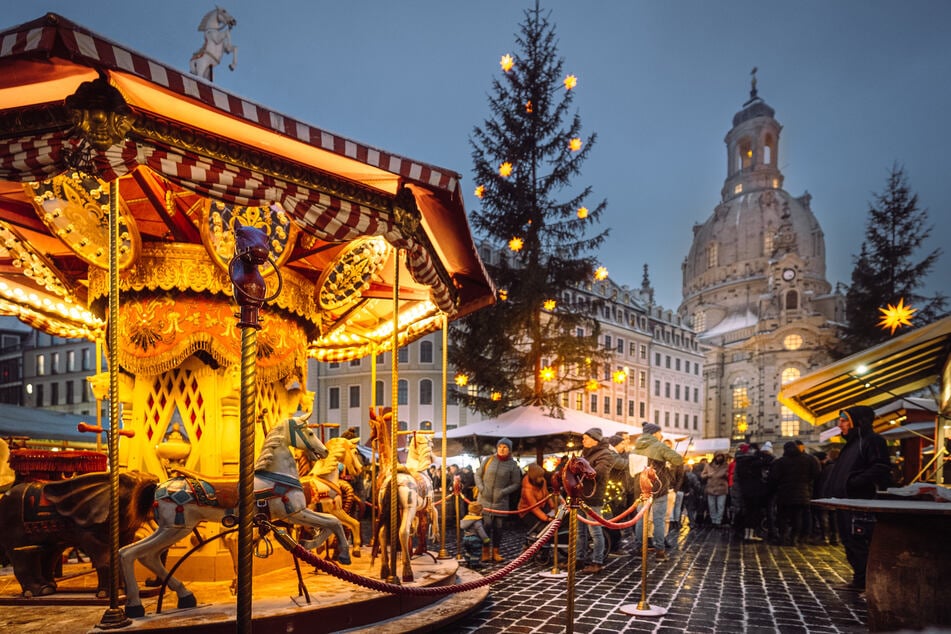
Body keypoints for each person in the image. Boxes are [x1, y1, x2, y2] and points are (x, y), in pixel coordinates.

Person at [821, 406, 892, 592]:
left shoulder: (872, 441)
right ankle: (860, 579)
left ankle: (865, 580)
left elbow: (880, 466)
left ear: (857, 423)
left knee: (858, 541)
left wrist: (854, 482)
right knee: (849, 541)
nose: (840, 425)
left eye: (844, 421)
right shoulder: (852, 443)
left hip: (859, 501)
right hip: (845, 501)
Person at [633, 422, 684, 561]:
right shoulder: (659, 445)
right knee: (659, 520)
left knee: (641, 519)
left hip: (641, 487)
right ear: (654, 433)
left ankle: (639, 547)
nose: (661, 435)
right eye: (660, 432)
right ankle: (659, 551)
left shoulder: (636, 447)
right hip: (658, 487)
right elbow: (678, 460)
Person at [576, 427, 620, 574]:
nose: (583, 440)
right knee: (579, 531)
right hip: (581, 496)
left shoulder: (606, 454)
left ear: (594, 440)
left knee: (595, 531)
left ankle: (597, 562)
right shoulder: (585, 453)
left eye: (586, 438)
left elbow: (598, 473)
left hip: (593, 497)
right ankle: (579, 559)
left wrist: (580, 468)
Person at [474, 438, 522, 563]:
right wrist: (481, 487)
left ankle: (496, 552)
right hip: (484, 499)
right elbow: (478, 474)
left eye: (505, 447)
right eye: (500, 446)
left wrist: (503, 492)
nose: (502, 449)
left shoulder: (513, 465)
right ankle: (485, 551)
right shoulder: (488, 460)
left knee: (498, 528)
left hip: (501, 501)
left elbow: (516, 483)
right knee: (486, 526)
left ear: (509, 449)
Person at [768, 440, 820, 546]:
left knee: (782, 516)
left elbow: (774, 477)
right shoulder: (809, 459)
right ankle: (794, 538)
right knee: (798, 517)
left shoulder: (781, 461)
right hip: (802, 492)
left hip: (784, 493)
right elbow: (816, 474)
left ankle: (783, 537)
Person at [518, 463, 554, 527]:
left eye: (542, 476)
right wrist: (546, 518)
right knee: (541, 526)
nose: (542, 478)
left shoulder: (542, 481)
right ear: (534, 478)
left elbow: (546, 494)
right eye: (540, 477)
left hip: (541, 506)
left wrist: (553, 507)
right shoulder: (527, 490)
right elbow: (534, 508)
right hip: (527, 511)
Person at [460, 502, 492, 569]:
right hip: (474, 539)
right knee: (476, 552)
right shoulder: (477, 521)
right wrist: (486, 539)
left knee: (468, 551)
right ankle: (475, 564)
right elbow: (480, 530)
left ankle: (468, 562)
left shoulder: (466, 519)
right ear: (479, 512)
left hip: (466, 538)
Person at [701, 452, 729, 526]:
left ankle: (718, 521)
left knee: (721, 505)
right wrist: (708, 475)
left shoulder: (726, 466)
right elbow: (702, 475)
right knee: (712, 506)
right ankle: (713, 520)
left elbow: (729, 475)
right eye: (718, 456)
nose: (719, 458)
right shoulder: (708, 466)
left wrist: (726, 475)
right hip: (711, 488)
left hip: (721, 488)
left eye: (721, 456)